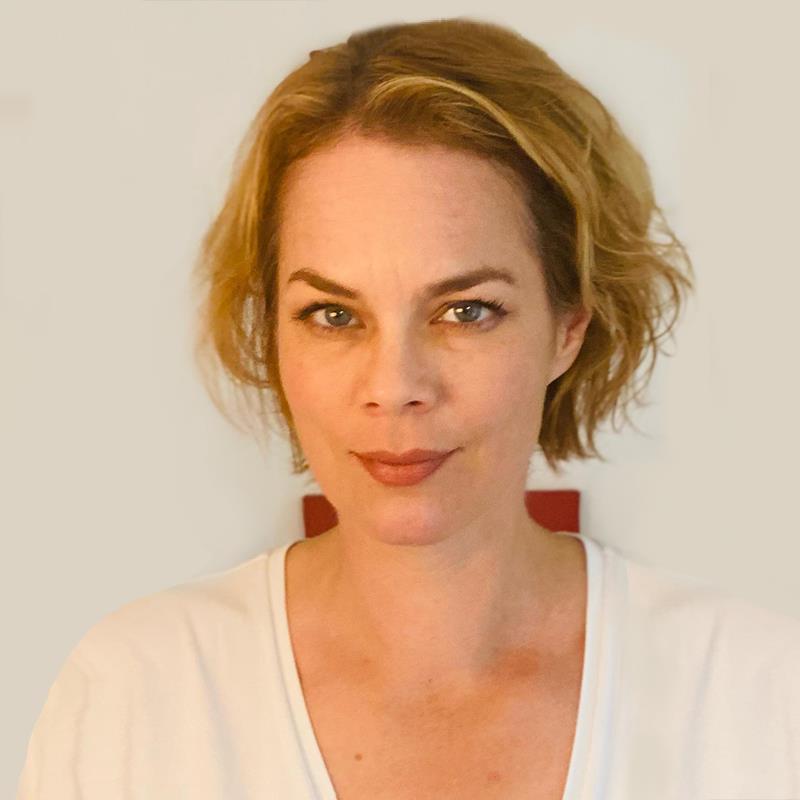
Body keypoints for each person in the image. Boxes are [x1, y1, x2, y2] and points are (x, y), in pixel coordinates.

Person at [17, 16, 800, 800]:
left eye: (466, 311)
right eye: (333, 314)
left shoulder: (755, 695)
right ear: (271, 331)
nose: (394, 386)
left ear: (569, 326)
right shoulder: (132, 697)